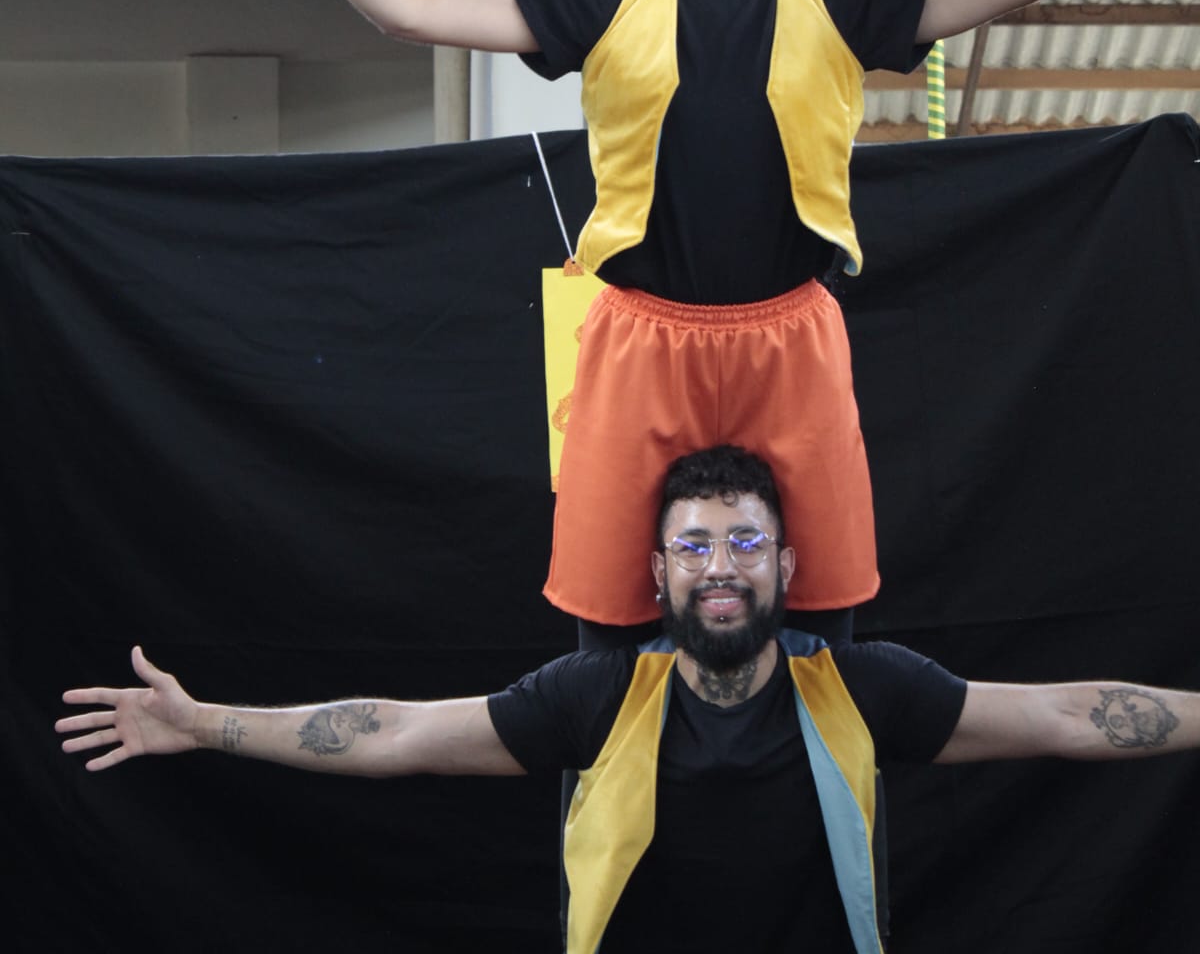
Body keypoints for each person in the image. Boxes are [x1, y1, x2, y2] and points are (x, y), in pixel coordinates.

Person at [150, 0, 1164, 644]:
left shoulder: (847, 2)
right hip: (638, 341)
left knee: (824, 621)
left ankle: (816, 794)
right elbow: (403, 6)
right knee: (607, 625)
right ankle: (609, 794)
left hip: (792, 342)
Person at [58, 444, 1200, 954]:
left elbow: (1064, 714)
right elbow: (397, 734)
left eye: (744, 542)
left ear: (786, 568)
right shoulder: (597, 695)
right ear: (657, 574)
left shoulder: (861, 687)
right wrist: (204, 724)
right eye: (694, 545)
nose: (720, 566)